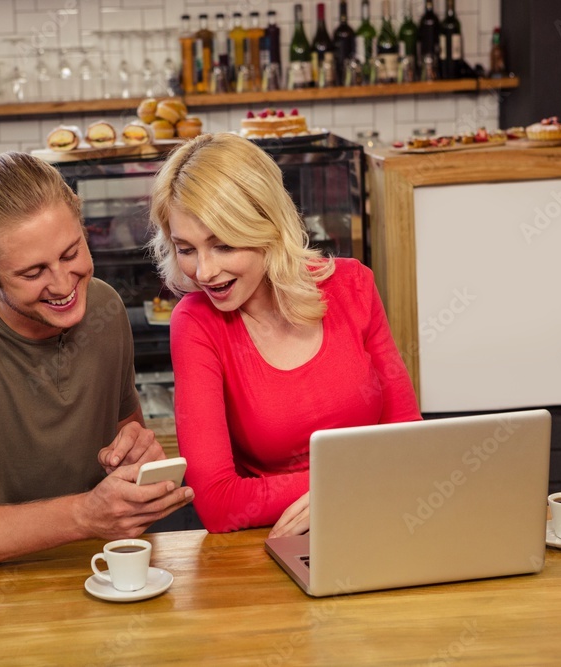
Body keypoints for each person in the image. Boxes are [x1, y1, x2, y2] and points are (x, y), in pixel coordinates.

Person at [0, 151, 194, 576]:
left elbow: (128, 447)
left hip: (101, 575)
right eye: (32, 273)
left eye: (71, 253)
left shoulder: (104, 306)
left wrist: (138, 460)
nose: (63, 285)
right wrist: (82, 515)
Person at [148, 133, 420, 537]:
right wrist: (350, 483)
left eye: (223, 246)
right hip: (278, 540)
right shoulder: (195, 323)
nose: (203, 272)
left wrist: (342, 490)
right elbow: (217, 503)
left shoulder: (353, 285)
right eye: (186, 249)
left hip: (386, 520)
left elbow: (411, 447)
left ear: (268, 228)